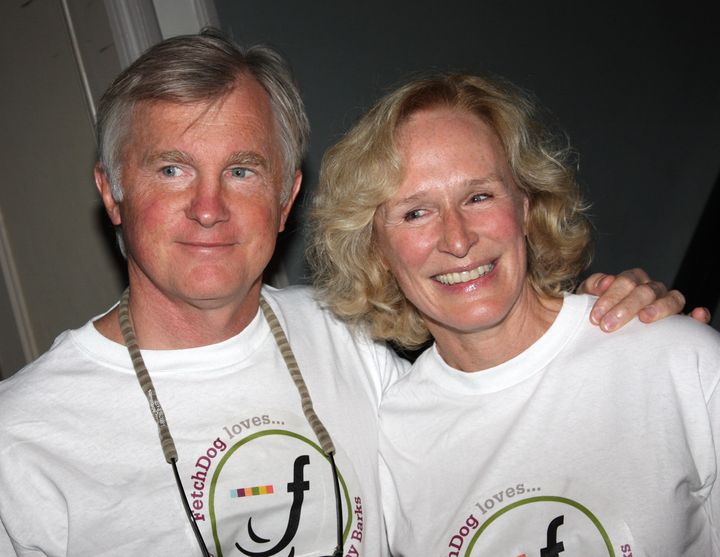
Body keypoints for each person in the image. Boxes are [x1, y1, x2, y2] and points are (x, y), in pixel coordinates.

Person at [0, 31, 699, 557]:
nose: (208, 207)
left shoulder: (350, 339)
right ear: (111, 193)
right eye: (173, 169)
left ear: (286, 196)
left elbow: (506, 395)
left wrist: (638, 326)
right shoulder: (24, 438)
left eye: (243, 170)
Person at [308, 73, 719, 555]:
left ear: (525, 207)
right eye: (416, 212)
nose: (458, 239)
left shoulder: (671, 358)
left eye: (479, 196)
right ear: (376, 248)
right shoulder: (391, 441)